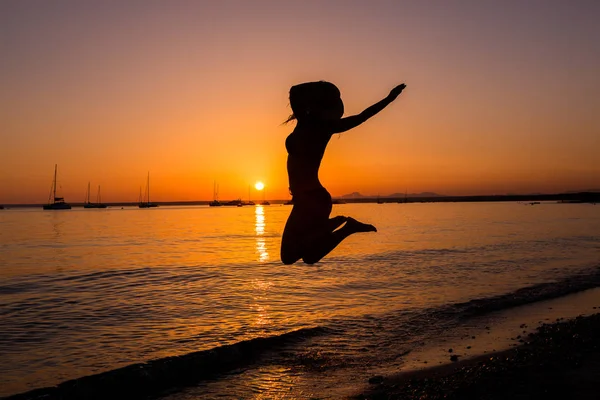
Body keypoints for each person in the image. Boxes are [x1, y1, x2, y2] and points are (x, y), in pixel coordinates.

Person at [280, 81, 406, 265]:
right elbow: (296, 93)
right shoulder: (304, 122)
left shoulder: (323, 127)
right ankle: (340, 225)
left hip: (312, 198)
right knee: (308, 256)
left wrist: (389, 98)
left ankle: (346, 227)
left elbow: (362, 116)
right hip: (306, 199)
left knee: (290, 256)